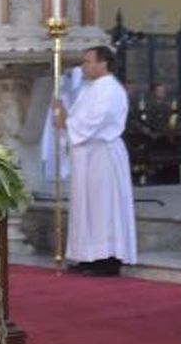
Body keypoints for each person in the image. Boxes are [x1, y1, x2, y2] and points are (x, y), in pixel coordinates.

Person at [55, 46, 137, 276]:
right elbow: (80, 119)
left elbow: (93, 122)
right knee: (86, 206)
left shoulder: (110, 90)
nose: (84, 66)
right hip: (87, 155)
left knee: (103, 207)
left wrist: (66, 121)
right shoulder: (92, 88)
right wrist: (65, 117)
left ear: (103, 63)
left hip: (103, 154)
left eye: (88, 61)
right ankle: (86, 256)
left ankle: (108, 259)